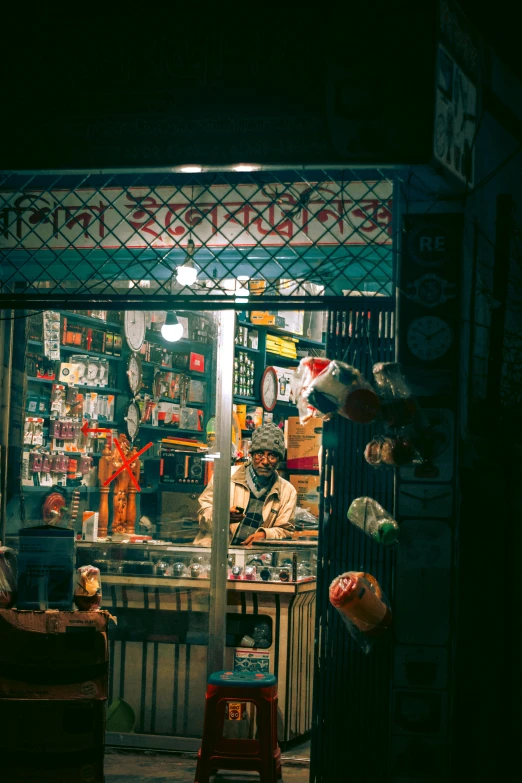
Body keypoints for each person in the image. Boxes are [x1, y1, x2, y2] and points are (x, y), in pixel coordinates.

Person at [194, 423, 297, 546]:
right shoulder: (224, 476)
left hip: (255, 558)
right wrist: (222, 516)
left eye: (272, 456)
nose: (265, 461)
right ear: (251, 454)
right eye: (259, 454)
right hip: (217, 552)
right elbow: (202, 512)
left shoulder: (288, 491)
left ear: (279, 460)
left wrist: (265, 535)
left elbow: (286, 530)